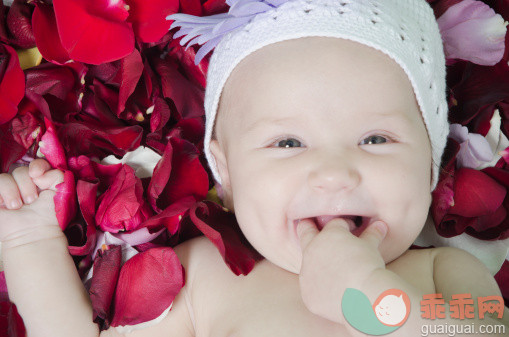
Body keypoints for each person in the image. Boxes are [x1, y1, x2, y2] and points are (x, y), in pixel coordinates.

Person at [1, 0, 508, 336]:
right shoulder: (205, 279)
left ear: (430, 164)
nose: (334, 173)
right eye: (288, 142)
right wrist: (30, 247)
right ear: (225, 170)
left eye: (376, 139)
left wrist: (370, 300)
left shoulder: (445, 275)